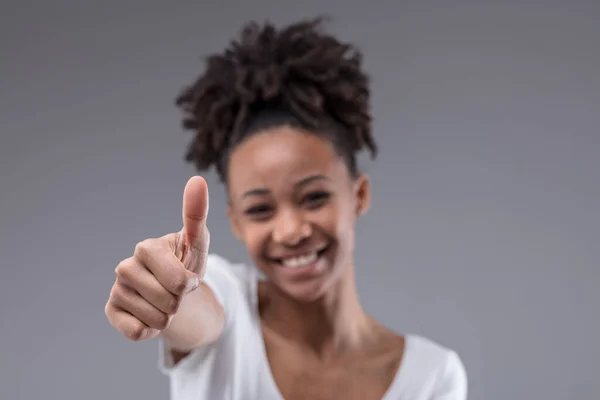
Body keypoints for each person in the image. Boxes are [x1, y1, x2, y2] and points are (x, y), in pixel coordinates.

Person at [104, 17, 468, 400]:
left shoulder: (432, 376)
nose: (291, 230)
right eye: (260, 209)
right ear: (236, 222)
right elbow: (198, 309)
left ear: (358, 194)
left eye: (314, 197)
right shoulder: (229, 304)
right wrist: (169, 295)